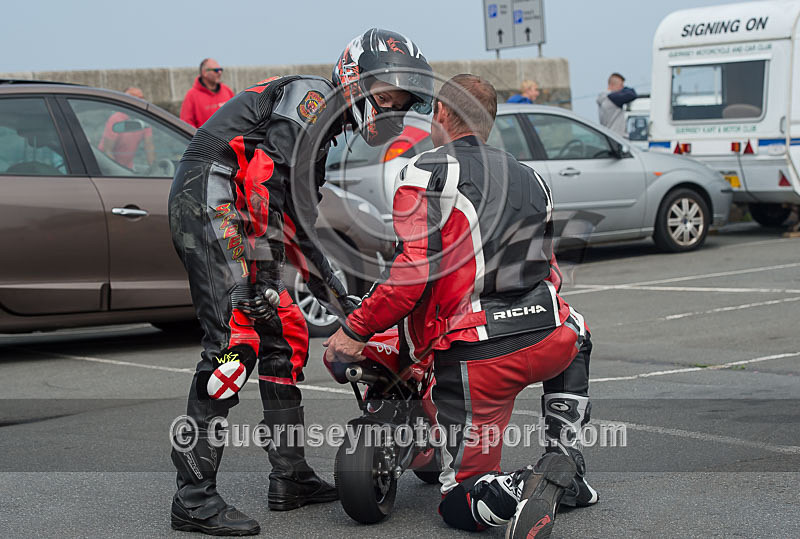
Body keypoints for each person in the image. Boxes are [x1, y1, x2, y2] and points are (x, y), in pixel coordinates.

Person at [167, 29, 433, 536]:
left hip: (236, 208)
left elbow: (301, 226)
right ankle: (193, 497)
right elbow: (266, 180)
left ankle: (290, 478)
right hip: (209, 194)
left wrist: (345, 302)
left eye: (399, 101)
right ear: (356, 78)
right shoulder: (314, 98)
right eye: (386, 95)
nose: (391, 109)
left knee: (286, 334)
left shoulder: (323, 131)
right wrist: (263, 279)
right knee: (234, 341)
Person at [325, 74, 597, 538]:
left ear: (442, 114)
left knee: (458, 501)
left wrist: (354, 329)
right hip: (552, 338)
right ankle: (565, 463)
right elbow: (549, 271)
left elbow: (410, 276)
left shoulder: (425, 172)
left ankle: (517, 487)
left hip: (478, 357)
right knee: (578, 330)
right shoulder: (532, 178)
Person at [98, 87, 155, 169]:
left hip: (127, 167)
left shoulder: (144, 121)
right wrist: (118, 172)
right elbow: (107, 150)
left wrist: (153, 169)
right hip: (106, 166)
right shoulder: (116, 119)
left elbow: (149, 147)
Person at [180, 58, 235, 128]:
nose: (220, 73)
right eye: (216, 70)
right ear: (204, 73)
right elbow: (186, 124)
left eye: (220, 70)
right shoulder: (191, 96)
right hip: (206, 138)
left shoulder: (227, 91)